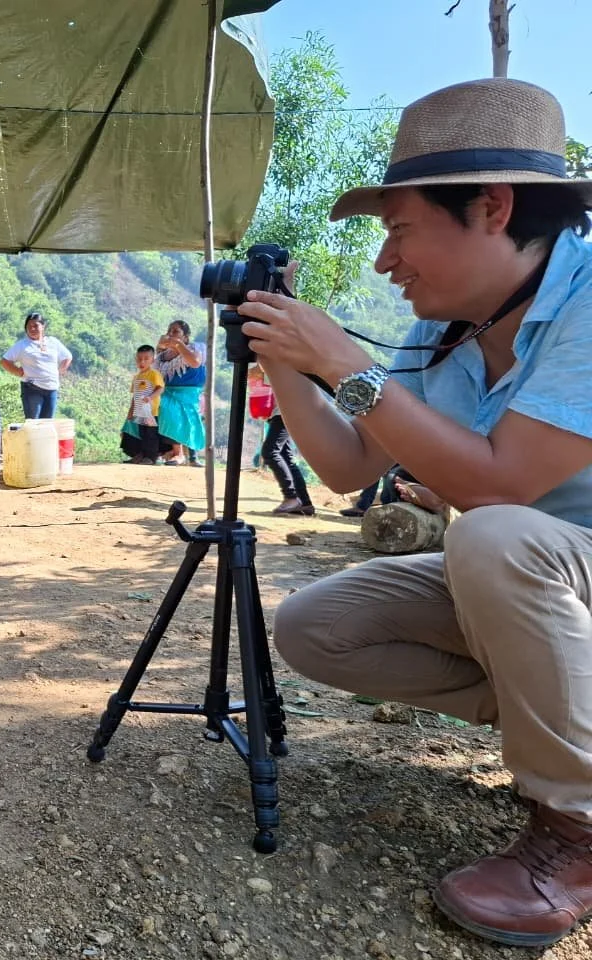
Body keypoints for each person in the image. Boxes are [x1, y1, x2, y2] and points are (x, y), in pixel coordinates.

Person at [239, 79, 592, 948]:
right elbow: (345, 465)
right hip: (554, 588)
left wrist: (345, 361)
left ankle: (577, 830)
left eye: (398, 231)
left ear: (492, 206)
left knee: (492, 533)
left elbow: (502, 484)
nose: (384, 263)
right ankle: (572, 730)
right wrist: (286, 354)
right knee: (318, 626)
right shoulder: (455, 334)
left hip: (538, 561)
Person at [248, 364, 314, 515]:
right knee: (285, 456)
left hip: (286, 411)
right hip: (279, 411)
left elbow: (254, 372)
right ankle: (304, 503)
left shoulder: (274, 358)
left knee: (270, 452)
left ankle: (291, 497)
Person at [0, 312, 72, 419]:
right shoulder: (22, 345)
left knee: (47, 423)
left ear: (43, 326)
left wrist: (58, 372)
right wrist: (17, 371)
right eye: (29, 327)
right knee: (34, 423)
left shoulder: (53, 342)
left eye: (35, 326)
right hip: (32, 388)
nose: (32, 329)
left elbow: (67, 357)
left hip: (52, 388)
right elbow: (4, 361)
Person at [154, 321, 206, 465]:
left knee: (179, 413)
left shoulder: (195, 348)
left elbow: (195, 362)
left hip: (190, 394)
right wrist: (159, 347)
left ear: (186, 337)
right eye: (169, 331)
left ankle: (187, 455)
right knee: (160, 408)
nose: (171, 334)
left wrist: (178, 345)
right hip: (169, 392)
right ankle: (170, 453)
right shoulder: (163, 356)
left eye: (176, 332)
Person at [124, 344, 164, 464]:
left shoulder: (154, 374)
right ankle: (141, 456)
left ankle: (151, 458)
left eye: (146, 359)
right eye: (140, 359)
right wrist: (130, 412)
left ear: (153, 359)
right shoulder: (136, 377)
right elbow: (135, 395)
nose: (142, 362)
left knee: (151, 435)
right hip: (139, 412)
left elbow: (160, 388)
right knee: (141, 434)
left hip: (151, 412)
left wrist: (150, 397)